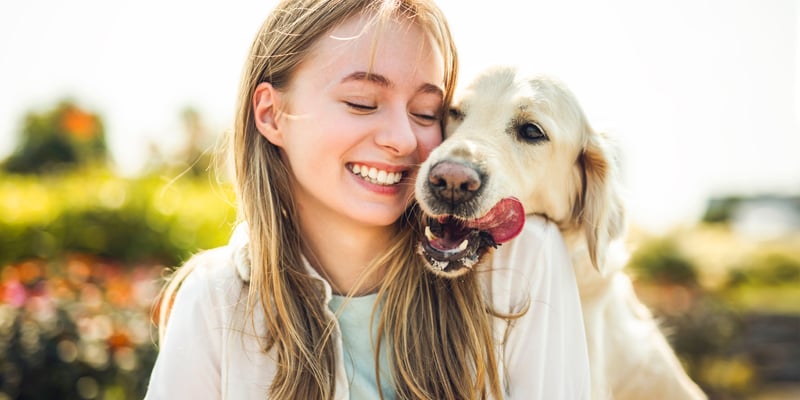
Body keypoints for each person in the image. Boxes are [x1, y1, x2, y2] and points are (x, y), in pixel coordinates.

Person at [144, 0, 591, 399]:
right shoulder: (214, 301)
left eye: (426, 114)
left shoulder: (520, 262)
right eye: (361, 102)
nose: (402, 139)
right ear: (272, 115)